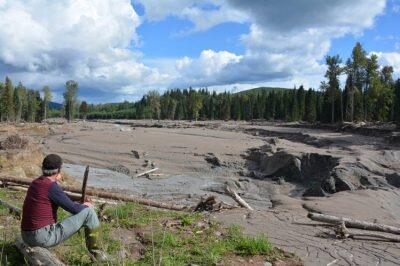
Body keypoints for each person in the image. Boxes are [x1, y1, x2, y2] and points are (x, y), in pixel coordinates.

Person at [20, 154, 107, 261]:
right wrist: (86, 205)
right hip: (42, 237)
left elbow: (60, 197)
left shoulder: (36, 183)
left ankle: (97, 254)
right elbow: (74, 209)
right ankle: (98, 255)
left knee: (84, 209)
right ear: (58, 170)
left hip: (26, 236)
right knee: (89, 212)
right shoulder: (51, 186)